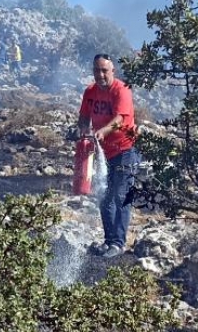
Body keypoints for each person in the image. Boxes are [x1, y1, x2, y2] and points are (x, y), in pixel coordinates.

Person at [78, 53, 140, 258]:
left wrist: (102, 132)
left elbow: (120, 119)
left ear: (112, 70)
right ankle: (109, 240)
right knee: (104, 195)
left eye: (104, 70)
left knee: (120, 195)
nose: (100, 74)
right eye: (97, 70)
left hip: (125, 151)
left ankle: (119, 243)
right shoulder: (90, 91)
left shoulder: (121, 90)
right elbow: (84, 116)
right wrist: (83, 132)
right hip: (102, 153)